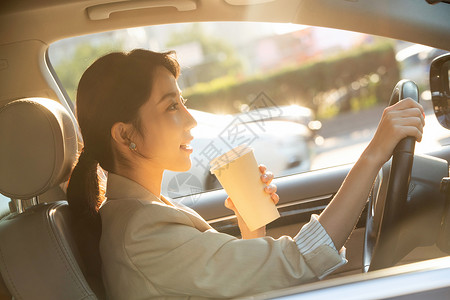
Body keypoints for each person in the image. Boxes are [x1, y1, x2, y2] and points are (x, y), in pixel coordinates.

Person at [67, 49, 425, 299]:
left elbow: (238, 285)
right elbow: (298, 262)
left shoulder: (142, 213)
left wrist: (251, 230)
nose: (191, 120)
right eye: (171, 106)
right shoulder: (142, 231)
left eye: (183, 103)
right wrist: (373, 154)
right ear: (124, 134)